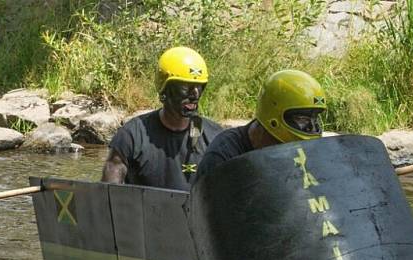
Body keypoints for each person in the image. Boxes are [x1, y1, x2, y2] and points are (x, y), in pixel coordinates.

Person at [101, 46, 223, 190]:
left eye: (199, 87)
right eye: (186, 87)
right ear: (164, 89)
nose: (195, 94)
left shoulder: (216, 138)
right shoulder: (131, 136)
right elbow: (108, 194)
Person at [194, 69, 326, 181]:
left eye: (314, 118)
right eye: (302, 119)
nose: (311, 127)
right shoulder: (225, 155)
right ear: (273, 115)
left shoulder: (301, 152)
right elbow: (205, 206)